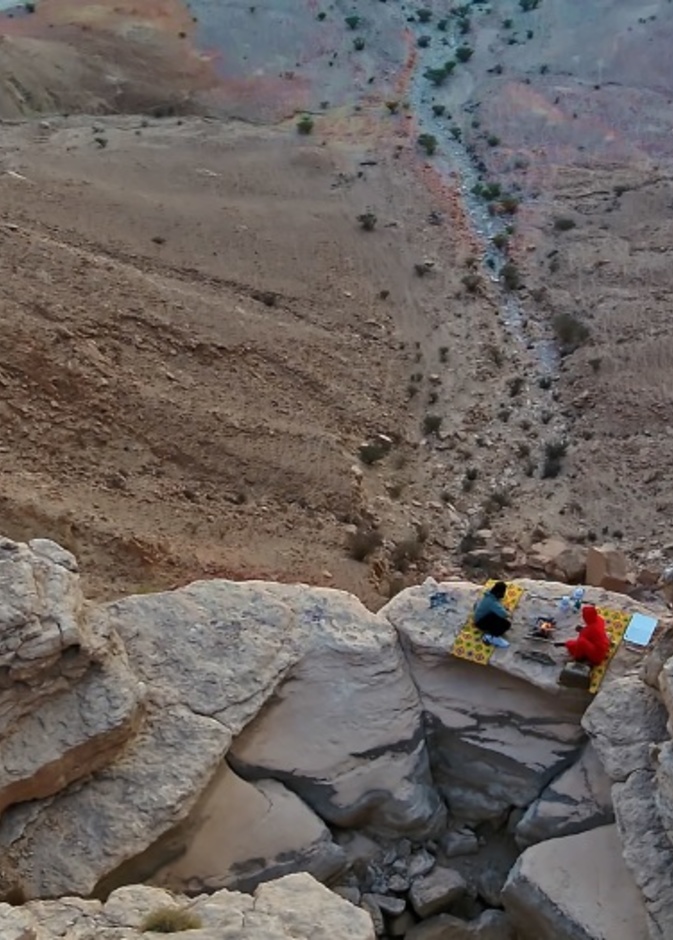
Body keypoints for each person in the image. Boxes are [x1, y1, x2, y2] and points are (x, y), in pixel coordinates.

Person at [474, 581, 511, 648]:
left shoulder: (489, 596)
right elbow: (504, 614)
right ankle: (490, 637)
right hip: (480, 622)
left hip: (481, 618)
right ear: (499, 593)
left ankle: (490, 635)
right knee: (506, 624)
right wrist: (507, 612)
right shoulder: (492, 602)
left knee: (498, 619)